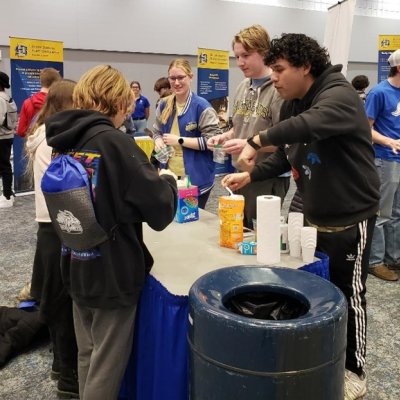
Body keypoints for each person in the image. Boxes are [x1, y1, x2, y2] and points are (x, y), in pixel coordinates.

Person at [222, 33, 380, 400]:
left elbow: (308, 126)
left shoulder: (337, 94)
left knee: (349, 293)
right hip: (313, 214)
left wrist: (256, 142)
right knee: (315, 289)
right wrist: (252, 173)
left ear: (305, 66)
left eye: (279, 70)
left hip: (349, 217)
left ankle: (354, 370)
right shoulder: (294, 102)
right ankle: (319, 355)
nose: (273, 77)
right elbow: (290, 151)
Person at [45, 64, 178, 400]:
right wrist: (169, 182)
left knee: (87, 354)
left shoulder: (64, 140)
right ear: (119, 102)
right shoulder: (116, 143)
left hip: (76, 263)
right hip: (112, 273)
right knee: (107, 367)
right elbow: (160, 210)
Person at [25, 79, 79, 398]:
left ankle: (61, 364)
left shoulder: (43, 132)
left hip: (49, 227)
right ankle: (68, 376)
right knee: (63, 303)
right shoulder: (53, 138)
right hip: (58, 226)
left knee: (56, 301)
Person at [207, 24, 290, 228]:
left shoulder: (279, 89)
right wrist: (225, 137)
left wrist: (246, 144)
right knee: (238, 231)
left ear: (264, 53)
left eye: (246, 55)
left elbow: (285, 139)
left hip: (267, 175)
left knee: (259, 236)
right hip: (240, 171)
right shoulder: (243, 86)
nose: (240, 63)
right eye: (237, 57)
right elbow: (240, 125)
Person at [152, 58, 221, 209]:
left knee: (191, 221)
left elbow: (214, 143)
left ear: (190, 77)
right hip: (168, 175)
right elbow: (156, 131)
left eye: (181, 77)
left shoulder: (202, 107)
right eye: (172, 78)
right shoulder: (164, 104)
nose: (176, 82)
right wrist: (157, 140)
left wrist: (180, 141)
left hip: (195, 178)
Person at [365, 49, 400, 282]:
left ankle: (393, 257)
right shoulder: (379, 92)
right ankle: (375, 261)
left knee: (397, 213)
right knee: (382, 213)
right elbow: (365, 129)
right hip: (385, 158)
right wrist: (388, 141)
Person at [16, 67, 61, 137]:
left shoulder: (27, 102)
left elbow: (21, 131)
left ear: (41, 81)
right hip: (54, 144)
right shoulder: (59, 102)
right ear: (56, 82)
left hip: (32, 144)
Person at [0, 71, 17, 208]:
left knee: (4, 166)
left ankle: (7, 195)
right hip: (7, 135)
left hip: (1, 137)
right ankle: (7, 193)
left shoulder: (0, 99)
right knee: (5, 165)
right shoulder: (7, 97)